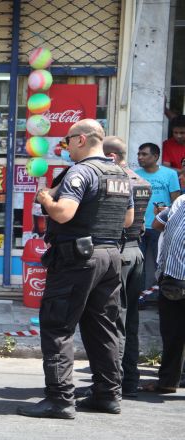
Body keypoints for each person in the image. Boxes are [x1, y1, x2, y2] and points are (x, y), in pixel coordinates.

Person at [17, 119, 134, 420]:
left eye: (68, 140)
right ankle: (108, 395)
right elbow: (128, 220)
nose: (64, 146)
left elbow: (65, 213)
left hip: (77, 258)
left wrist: (46, 199)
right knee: (103, 328)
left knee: (57, 325)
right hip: (110, 256)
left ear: (81, 140)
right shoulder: (121, 173)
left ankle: (59, 399)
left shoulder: (81, 172)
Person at [104, 136, 150, 397]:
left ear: (112, 157)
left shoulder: (119, 183)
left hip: (119, 252)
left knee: (114, 321)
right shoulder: (142, 182)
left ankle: (114, 383)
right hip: (136, 252)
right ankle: (130, 379)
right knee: (130, 319)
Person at [140, 195, 185, 393]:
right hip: (173, 278)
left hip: (175, 277)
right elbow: (157, 224)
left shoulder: (180, 201)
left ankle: (168, 381)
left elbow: (157, 224)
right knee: (172, 333)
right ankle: (167, 381)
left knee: (173, 333)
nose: (181, 178)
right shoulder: (180, 201)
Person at [135, 143, 181, 295]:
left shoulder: (170, 174)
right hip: (138, 226)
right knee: (138, 266)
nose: (140, 157)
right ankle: (137, 297)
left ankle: (157, 296)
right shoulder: (134, 174)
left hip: (159, 226)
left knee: (159, 264)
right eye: (139, 154)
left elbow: (176, 202)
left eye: (144, 154)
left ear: (155, 157)